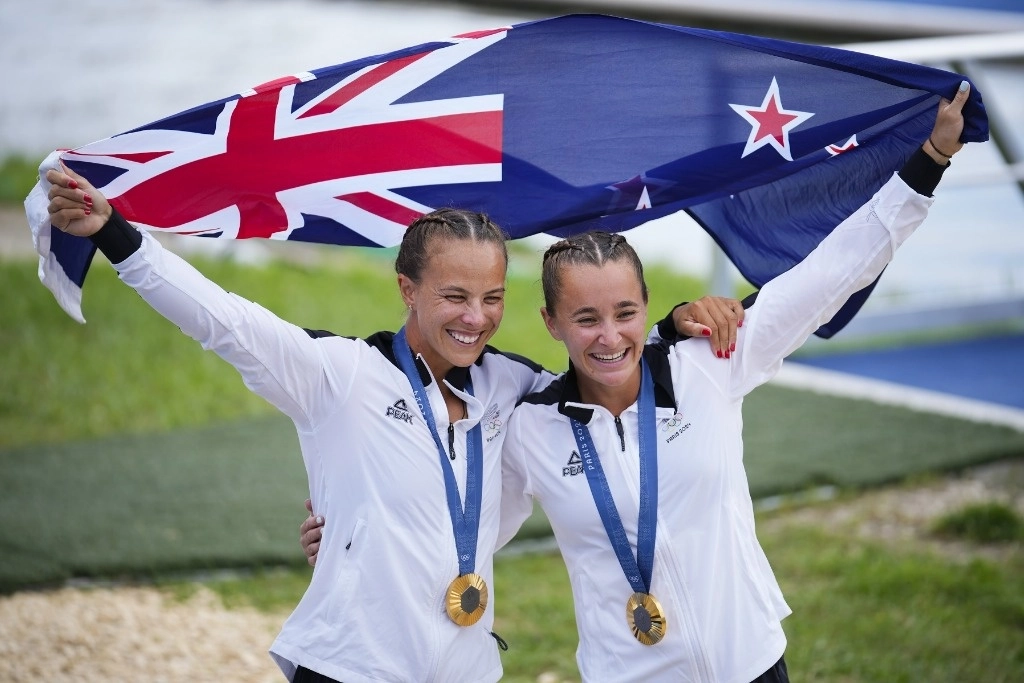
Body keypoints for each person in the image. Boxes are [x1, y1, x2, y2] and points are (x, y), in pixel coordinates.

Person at [299, 81, 972, 681]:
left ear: (648, 309)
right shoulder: (532, 424)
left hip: (752, 664)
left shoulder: (711, 360)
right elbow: (465, 522)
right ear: (552, 322)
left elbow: (833, 271)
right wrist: (359, 530)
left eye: (625, 313)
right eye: (585, 317)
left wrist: (929, 162)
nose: (609, 335)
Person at [44, 167, 741, 683]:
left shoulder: (513, 385)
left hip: (467, 668)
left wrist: (668, 328)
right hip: (351, 667)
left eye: (493, 297)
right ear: (407, 289)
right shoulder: (337, 375)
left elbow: (603, 366)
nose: (476, 317)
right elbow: (223, 320)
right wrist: (113, 232)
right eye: (455, 296)